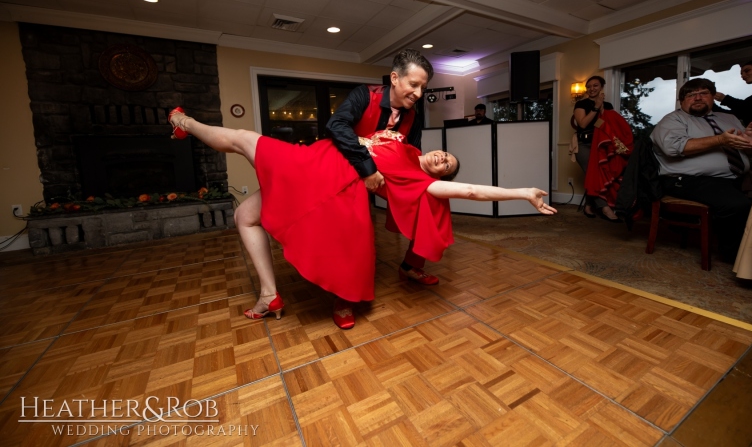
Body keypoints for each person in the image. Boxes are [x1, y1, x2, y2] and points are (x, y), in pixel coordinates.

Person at [169, 110, 556, 330]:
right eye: (445, 156)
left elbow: (471, 191)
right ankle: (269, 294)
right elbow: (360, 125)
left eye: (447, 168)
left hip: (322, 179)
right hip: (317, 160)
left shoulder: (421, 183)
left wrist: (521, 193)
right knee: (244, 215)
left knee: (241, 139)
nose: (443, 160)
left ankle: (183, 123)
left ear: (439, 178)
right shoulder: (401, 142)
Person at [326, 49, 441, 289]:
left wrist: (427, 181)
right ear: (395, 78)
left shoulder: (413, 115)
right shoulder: (364, 95)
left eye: (423, 87)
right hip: (349, 170)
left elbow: (412, 151)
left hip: (385, 176)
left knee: (432, 201)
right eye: (413, 84)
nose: (418, 93)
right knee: (355, 228)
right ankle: (344, 293)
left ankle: (410, 265)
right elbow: (336, 125)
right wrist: (367, 169)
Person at [651, 78, 752, 262]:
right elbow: (672, 148)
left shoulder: (729, 118)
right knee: (736, 205)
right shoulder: (673, 120)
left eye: (703, 93)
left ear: (712, 97)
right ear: (682, 101)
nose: (697, 98)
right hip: (687, 180)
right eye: (691, 95)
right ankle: (736, 257)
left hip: (737, 177)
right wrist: (720, 140)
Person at [572, 76, 627, 221]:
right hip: (584, 145)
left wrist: (602, 107)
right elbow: (583, 124)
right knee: (594, 174)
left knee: (600, 175)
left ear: (601, 87)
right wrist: (596, 107)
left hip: (602, 145)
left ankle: (589, 205)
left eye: (595, 85)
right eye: (588, 86)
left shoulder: (607, 105)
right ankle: (605, 209)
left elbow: (608, 125)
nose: (591, 89)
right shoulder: (581, 104)